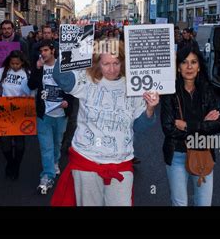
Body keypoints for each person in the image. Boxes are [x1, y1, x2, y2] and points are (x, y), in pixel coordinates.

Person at [50, 40, 160, 206]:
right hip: (87, 161)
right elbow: (61, 77)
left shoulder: (135, 85)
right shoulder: (87, 79)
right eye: (106, 64)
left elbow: (139, 126)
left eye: (116, 63)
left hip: (121, 162)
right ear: (97, 63)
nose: (112, 69)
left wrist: (150, 109)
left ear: (123, 62)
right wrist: (71, 46)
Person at [160, 46, 220, 206]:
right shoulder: (169, 92)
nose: (189, 67)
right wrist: (203, 125)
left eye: (193, 62)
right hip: (177, 154)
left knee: (203, 203)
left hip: (203, 153)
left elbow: (219, 123)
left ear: (199, 66)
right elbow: (169, 128)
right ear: (178, 67)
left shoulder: (207, 90)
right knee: (180, 203)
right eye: (184, 62)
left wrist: (188, 126)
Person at [27, 40, 74, 194]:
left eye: (46, 50)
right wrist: (36, 69)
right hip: (44, 114)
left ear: (53, 50)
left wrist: (68, 101)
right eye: (41, 50)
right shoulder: (39, 66)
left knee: (57, 142)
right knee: (46, 146)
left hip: (61, 113)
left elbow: (72, 86)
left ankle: (55, 162)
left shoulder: (62, 65)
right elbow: (31, 86)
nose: (43, 53)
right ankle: (47, 175)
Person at [0, 50, 32, 180]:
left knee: (19, 142)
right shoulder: (3, 71)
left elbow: (32, 89)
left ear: (22, 63)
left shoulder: (27, 73)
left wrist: (29, 95)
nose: (15, 66)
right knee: (5, 141)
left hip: (20, 109)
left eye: (17, 64)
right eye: (12, 63)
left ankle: (16, 166)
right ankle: (10, 162)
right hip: (4, 108)